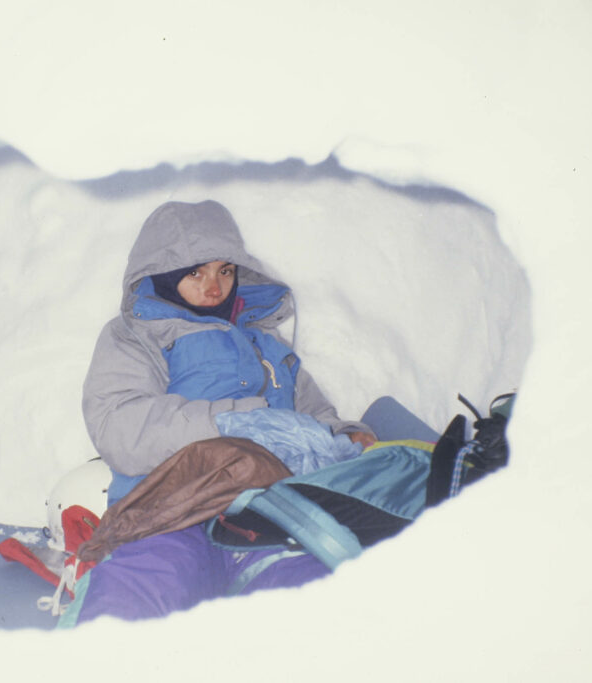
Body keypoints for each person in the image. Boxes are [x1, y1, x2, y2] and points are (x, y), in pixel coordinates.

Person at [69, 199, 378, 624]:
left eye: (224, 270)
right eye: (195, 272)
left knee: (308, 597)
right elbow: (119, 426)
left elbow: (313, 413)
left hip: (269, 509)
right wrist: (232, 423)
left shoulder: (267, 346)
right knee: (141, 592)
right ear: (162, 275)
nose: (214, 287)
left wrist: (346, 434)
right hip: (168, 508)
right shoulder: (136, 337)